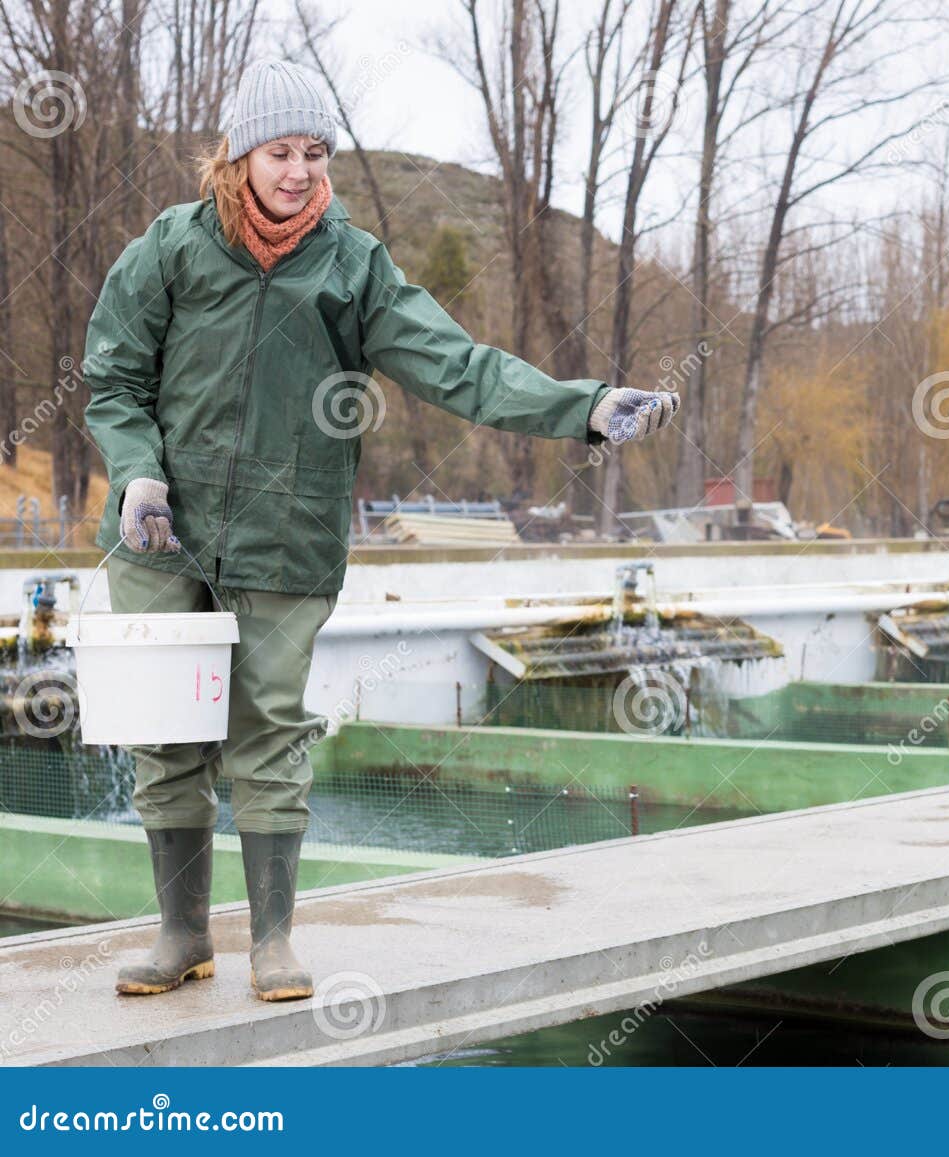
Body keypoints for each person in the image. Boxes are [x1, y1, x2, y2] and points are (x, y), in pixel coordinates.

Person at [82, 59, 680, 1002]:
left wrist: (587, 407)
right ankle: (181, 934)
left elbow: (458, 365)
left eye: (314, 152)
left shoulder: (352, 265)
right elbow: (112, 380)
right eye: (280, 151)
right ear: (237, 155)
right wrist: (136, 471)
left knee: (269, 729)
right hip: (162, 528)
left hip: (288, 535)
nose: (298, 170)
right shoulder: (171, 250)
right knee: (163, 734)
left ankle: (271, 939)